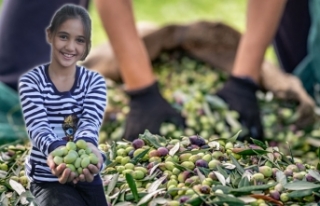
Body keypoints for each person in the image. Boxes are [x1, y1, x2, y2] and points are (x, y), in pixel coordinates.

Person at [18, 4, 108, 206]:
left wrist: (89, 145)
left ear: (87, 46)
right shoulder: (32, 82)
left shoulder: (94, 82)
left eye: (80, 40)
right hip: (48, 177)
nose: (70, 47)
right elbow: (38, 125)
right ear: (50, 35)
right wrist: (56, 150)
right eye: (64, 37)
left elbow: (90, 120)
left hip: (86, 174)